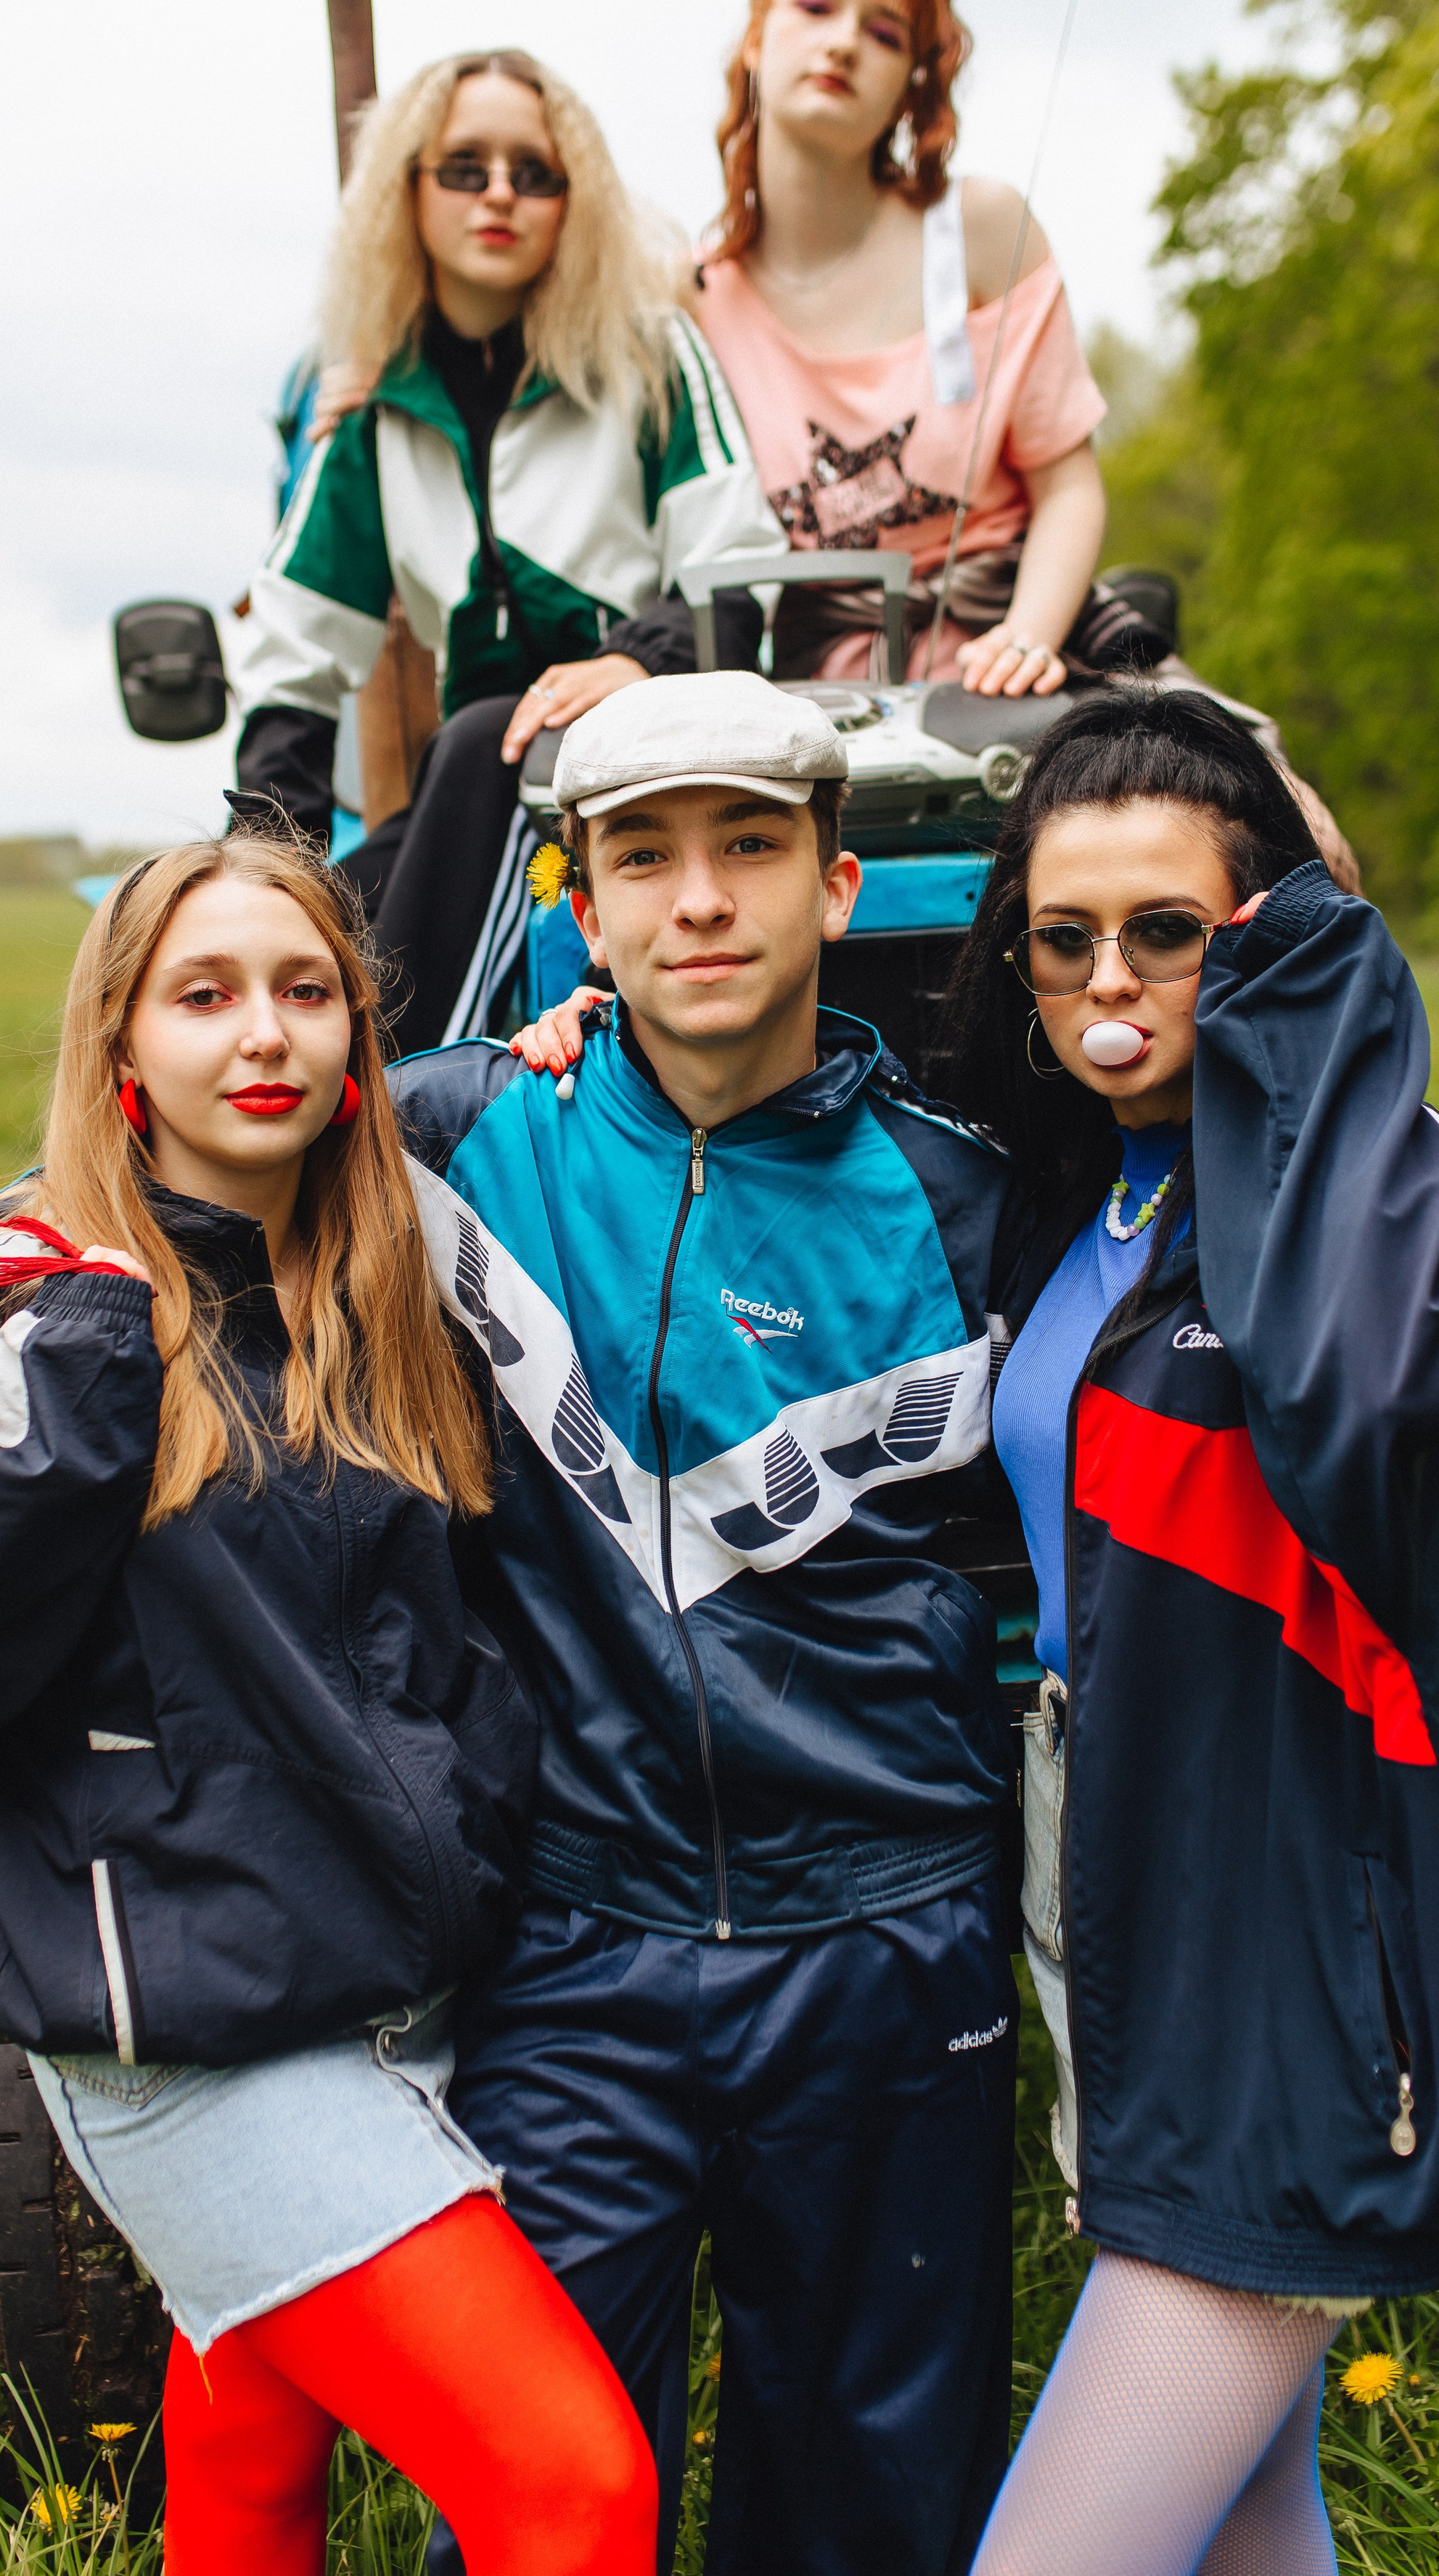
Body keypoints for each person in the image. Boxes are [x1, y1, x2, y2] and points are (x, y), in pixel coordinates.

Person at [0, 836, 656, 2576]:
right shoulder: (71, 1322)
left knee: (252, 2447)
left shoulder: (376, 1280)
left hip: (376, 1983)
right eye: (201, 996)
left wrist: (557, 1036)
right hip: (199, 2028)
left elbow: (445, 1093)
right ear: (119, 1044)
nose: (259, 1034)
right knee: (570, 2488)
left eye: (301, 990)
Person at [925, 689, 1439, 2573]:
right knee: (1250, 2527)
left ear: (1271, 936)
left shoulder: (1404, 1193)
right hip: (1130, 1921)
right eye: (1067, 939)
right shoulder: (1084, 1199)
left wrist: (1314, 989)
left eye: (1175, 931)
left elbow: (1348, 1393)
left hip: (1304, 1975)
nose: (1113, 981)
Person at [382, 669, 1024, 2575]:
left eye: (751, 849)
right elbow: (153, 1166)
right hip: (578, 1947)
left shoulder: (970, 1192)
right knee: (533, 2499)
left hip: (890, 1936)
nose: (702, 902)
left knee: (870, 2509)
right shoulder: (466, 1132)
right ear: (581, 910)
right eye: (645, 860)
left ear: (839, 885)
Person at [233, 46, 785, 1048]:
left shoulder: (649, 355)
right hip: (477, 793)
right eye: (465, 168)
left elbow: (741, 580)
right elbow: (293, 650)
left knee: (492, 741)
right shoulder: (379, 404)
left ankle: (389, 1113)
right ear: (410, 189)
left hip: (655, 770)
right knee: (315, 932)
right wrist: (266, 882)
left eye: (534, 174)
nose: (500, 195)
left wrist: (632, 663)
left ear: (575, 201)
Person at [691, 0, 1115, 700]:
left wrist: (1027, 638)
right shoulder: (693, 295)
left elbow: (1067, 484)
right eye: (816, 5)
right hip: (802, 697)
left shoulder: (983, 230)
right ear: (756, 37)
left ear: (911, 85)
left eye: (884, 33)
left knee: (1249, 802)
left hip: (1015, 664)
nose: (844, 42)